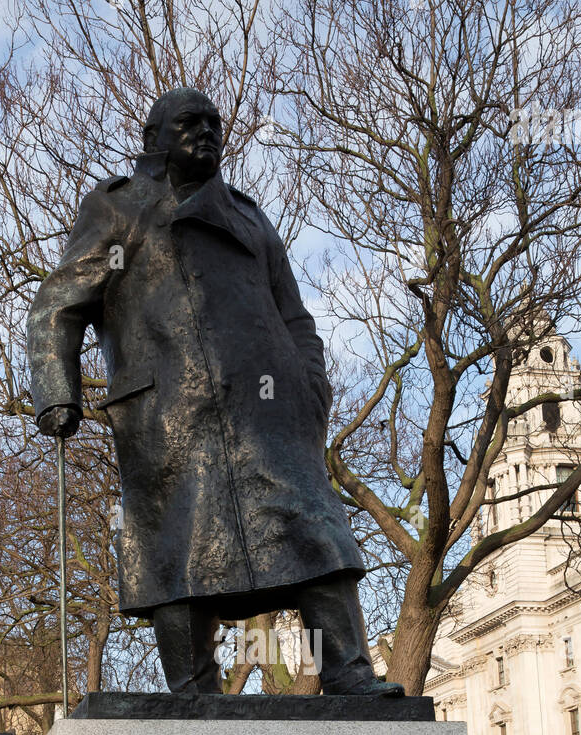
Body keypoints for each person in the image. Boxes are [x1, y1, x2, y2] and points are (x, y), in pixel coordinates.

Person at [28, 87, 404, 698]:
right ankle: (191, 689)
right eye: (188, 124)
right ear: (153, 139)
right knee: (175, 545)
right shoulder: (117, 210)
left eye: (213, 123)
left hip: (271, 412)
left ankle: (348, 671)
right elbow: (58, 303)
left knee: (316, 529)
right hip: (167, 411)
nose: (206, 132)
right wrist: (56, 390)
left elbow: (296, 316)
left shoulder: (251, 217)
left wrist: (312, 387)